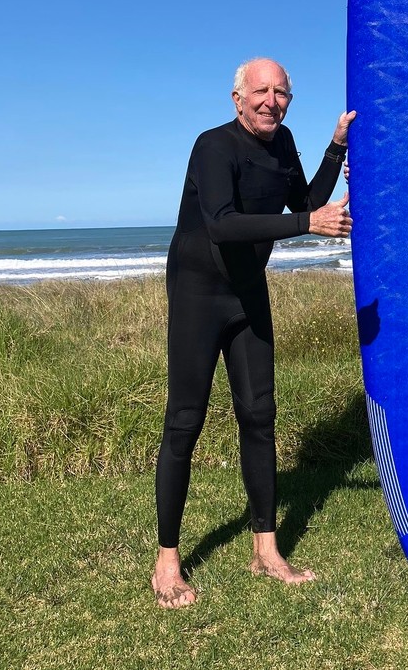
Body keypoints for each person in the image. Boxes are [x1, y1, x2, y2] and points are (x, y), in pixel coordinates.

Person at [151, 57, 355, 608]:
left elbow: (306, 202)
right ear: (237, 98)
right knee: (185, 420)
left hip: (247, 292)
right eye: (261, 91)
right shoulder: (213, 146)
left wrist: (336, 148)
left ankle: (266, 550)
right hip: (198, 294)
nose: (271, 101)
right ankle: (167, 560)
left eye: (281, 93)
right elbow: (222, 223)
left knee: (260, 415)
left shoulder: (282, 142)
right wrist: (307, 224)